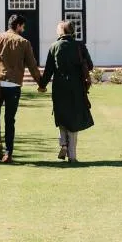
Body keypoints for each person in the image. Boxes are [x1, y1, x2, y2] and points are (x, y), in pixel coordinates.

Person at [0, 14, 42, 164]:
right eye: (23, 26)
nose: (23, 29)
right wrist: (40, 83)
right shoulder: (24, 43)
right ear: (18, 26)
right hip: (14, 85)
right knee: (10, 120)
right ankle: (8, 153)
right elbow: (32, 66)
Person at [38, 20, 94, 163]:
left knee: (61, 116)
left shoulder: (54, 47)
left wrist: (42, 85)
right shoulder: (79, 46)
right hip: (76, 87)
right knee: (73, 119)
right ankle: (73, 156)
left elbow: (48, 71)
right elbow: (90, 66)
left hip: (59, 87)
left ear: (61, 32)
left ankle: (63, 144)